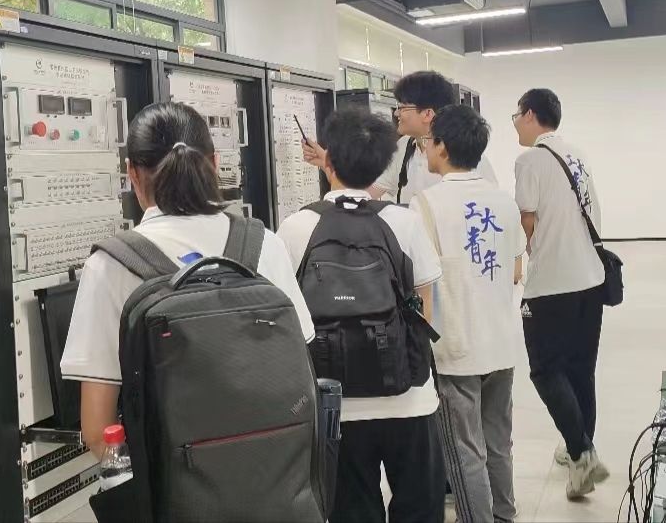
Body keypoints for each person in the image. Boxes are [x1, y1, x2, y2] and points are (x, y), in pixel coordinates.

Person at [60, 102, 315, 459]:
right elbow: (301, 372)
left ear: (131, 173)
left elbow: (99, 432)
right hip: (276, 474)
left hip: (175, 484)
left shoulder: (110, 264)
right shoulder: (264, 244)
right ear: (214, 163)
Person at [277, 109, 445, 523]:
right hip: (409, 399)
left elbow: (287, 321)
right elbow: (425, 309)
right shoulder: (404, 221)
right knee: (420, 509)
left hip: (336, 406)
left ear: (328, 161)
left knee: (352, 512)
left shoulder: (296, 227)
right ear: (383, 163)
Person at [410, 104, 524, 523]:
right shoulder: (504, 201)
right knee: (497, 442)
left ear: (441, 146)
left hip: (455, 349)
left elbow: (419, 282)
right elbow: (516, 270)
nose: (425, 149)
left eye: (428, 141)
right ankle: (504, 515)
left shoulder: (425, 204)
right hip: (502, 343)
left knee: (464, 451)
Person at [512, 88, 609, 499]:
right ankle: (581, 447)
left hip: (552, 283)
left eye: (516, 116)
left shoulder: (529, 160)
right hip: (591, 276)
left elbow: (528, 220)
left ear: (530, 115)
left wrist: (530, 252)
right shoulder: (576, 153)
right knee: (581, 368)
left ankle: (581, 453)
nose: (515, 124)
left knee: (545, 369)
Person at [302, 70, 497, 204]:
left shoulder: (468, 157)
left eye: (402, 107)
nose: (396, 114)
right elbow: (366, 192)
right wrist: (331, 164)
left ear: (427, 114)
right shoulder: (403, 147)